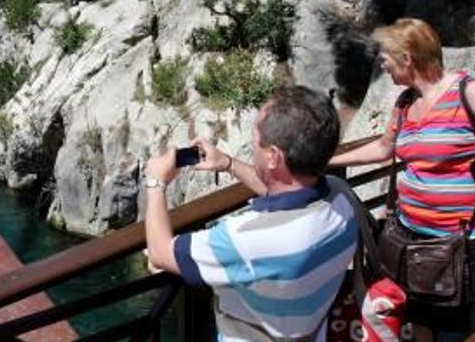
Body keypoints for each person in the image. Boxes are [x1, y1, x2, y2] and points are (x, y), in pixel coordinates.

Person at [329, 17, 475, 341]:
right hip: (416, 242)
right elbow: (384, 148)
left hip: (474, 245)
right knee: (424, 323)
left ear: (407, 58)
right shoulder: (406, 102)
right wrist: (328, 159)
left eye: (385, 58)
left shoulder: (472, 94)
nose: (382, 64)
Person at [144, 86, 357, 342]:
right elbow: (286, 194)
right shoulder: (342, 196)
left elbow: (160, 252)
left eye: (255, 138)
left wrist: (155, 183)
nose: (251, 142)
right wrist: (229, 164)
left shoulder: (245, 239)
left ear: (274, 157)